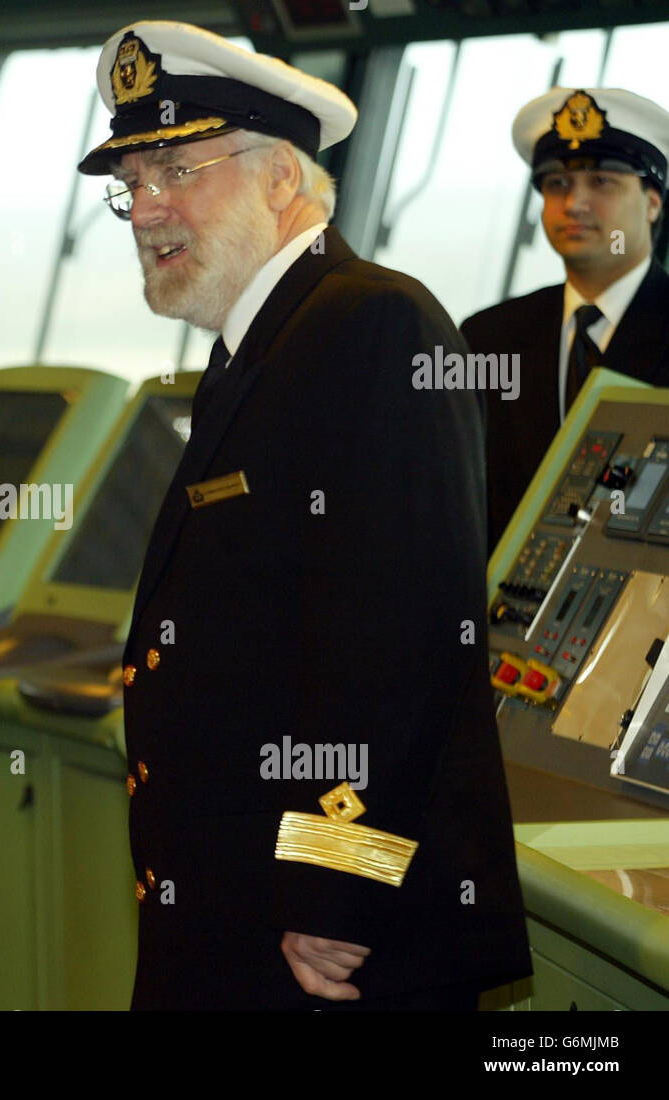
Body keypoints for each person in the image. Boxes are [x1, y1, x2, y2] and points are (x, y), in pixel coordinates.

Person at [78, 21, 532, 1010]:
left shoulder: (372, 323)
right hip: (239, 907)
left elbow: (399, 638)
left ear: (281, 175)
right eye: (130, 183)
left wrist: (338, 882)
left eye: (173, 171)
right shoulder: (258, 344)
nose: (144, 210)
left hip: (318, 940)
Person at [461, 88, 669, 548]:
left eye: (601, 182)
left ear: (653, 201)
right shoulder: (488, 338)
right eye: (557, 184)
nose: (574, 204)